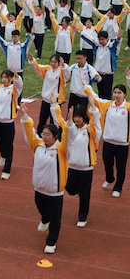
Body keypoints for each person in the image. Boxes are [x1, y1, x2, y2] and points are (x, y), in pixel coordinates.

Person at [20, 103, 68, 255]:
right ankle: (44, 218)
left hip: (54, 191)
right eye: (43, 133)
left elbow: (69, 138)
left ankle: (51, 241)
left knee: (56, 217)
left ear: (55, 136)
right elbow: (29, 133)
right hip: (39, 187)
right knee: (40, 207)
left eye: (48, 134)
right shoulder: (38, 145)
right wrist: (25, 116)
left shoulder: (62, 149)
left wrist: (70, 124)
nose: (44, 136)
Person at [50, 93, 101, 227]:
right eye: (75, 117)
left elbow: (97, 125)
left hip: (86, 168)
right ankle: (77, 191)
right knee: (69, 188)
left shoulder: (90, 130)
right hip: (71, 166)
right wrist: (54, 104)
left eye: (79, 117)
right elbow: (58, 121)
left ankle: (82, 217)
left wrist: (94, 107)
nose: (76, 119)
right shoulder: (69, 127)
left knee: (85, 195)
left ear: (84, 117)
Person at [85, 79, 130, 198]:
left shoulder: (128, 108)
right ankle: (110, 178)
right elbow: (94, 97)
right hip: (108, 141)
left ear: (124, 94)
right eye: (115, 92)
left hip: (122, 143)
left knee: (121, 167)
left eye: (119, 92)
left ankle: (118, 187)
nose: (117, 95)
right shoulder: (107, 105)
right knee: (107, 163)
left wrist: (128, 79)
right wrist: (85, 84)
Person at [28, 53, 70, 134]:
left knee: (55, 121)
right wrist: (32, 60)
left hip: (56, 102)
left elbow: (67, 73)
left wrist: (63, 65)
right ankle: (40, 136)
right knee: (42, 120)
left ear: (58, 63)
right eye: (51, 61)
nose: (53, 64)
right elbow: (38, 67)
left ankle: (56, 138)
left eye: (55, 62)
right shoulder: (47, 69)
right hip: (46, 100)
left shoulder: (62, 71)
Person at [80, 29, 122, 100]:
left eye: (102, 39)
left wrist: (119, 38)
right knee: (100, 94)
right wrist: (79, 32)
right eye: (99, 39)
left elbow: (116, 43)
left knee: (107, 95)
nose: (101, 41)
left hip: (108, 74)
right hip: (98, 74)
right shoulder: (97, 46)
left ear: (107, 39)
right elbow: (89, 38)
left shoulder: (111, 47)